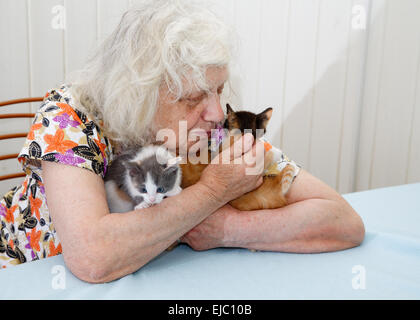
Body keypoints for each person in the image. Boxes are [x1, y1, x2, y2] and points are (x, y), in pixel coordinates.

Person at [0, 0, 364, 281]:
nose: (216, 112)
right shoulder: (70, 117)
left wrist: (227, 229)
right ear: (137, 94)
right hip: (23, 272)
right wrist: (212, 193)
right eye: (194, 99)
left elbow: (343, 222)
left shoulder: (218, 132)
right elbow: (93, 257)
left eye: (219, 90)